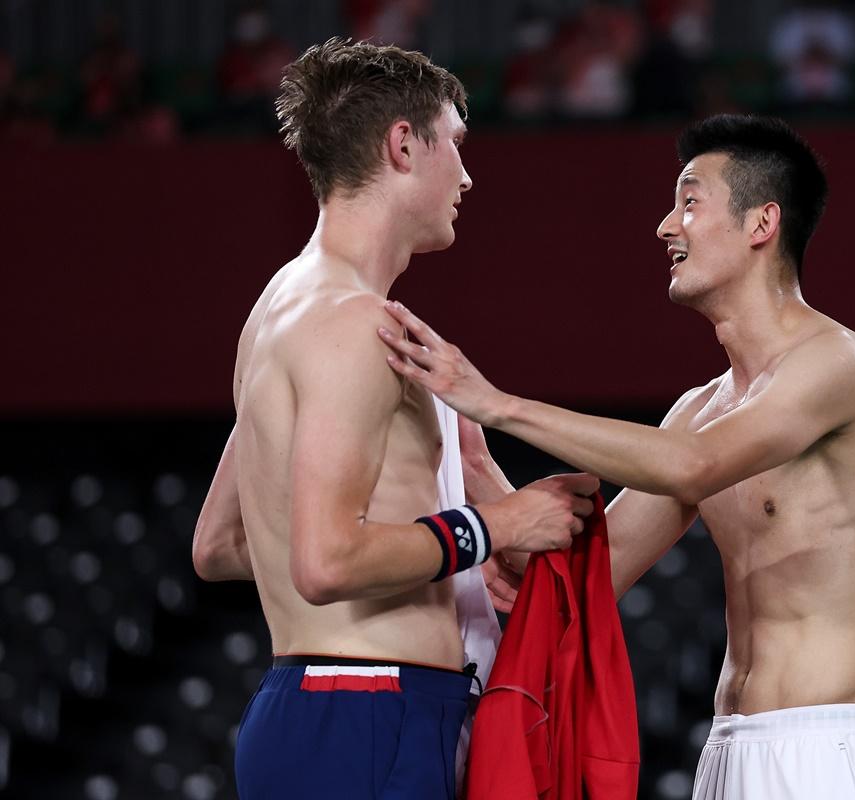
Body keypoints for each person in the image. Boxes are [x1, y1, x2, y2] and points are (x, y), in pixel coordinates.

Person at [378, 114, 855, 798]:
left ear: (762, 224)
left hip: (826, 746)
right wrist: (476, 466)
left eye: (690, 202)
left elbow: (691, 465)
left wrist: (499, 404)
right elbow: (595, 571)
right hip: (726, 749)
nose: (667, 226)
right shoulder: (700, 410)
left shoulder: (842, 364)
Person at [191, 38, 597, 800]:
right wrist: (495, 529)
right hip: (368, 713)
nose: (468, 177)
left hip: (332, 711)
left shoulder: (281, 306)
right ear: (403, 145)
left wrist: (436, 556)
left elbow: (220, 545)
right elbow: (325, 562)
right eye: (456, 146)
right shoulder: (352, 324)